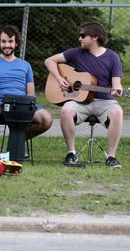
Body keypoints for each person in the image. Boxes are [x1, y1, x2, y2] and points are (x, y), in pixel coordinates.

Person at [45, 21, 123, 168]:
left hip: (104, 102)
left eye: (82, 35)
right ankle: (71, 153)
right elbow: (50, 61)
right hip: (80, 102)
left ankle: (111, 157)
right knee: (66, 109)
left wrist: (117, 90)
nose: (79, 39)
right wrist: (59, 79)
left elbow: (116, 84)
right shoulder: (76, 53)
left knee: (117, 111)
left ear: (94, 37)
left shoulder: (112, 57)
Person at [0, 25, 53, 160]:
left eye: (10, 41)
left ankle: (15, 143)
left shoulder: (25, 65)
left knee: (46, 119)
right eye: (3, 41)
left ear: (16, 43)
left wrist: (28, 104)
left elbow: (31, 95)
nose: (7, 45)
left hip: (21, 104)